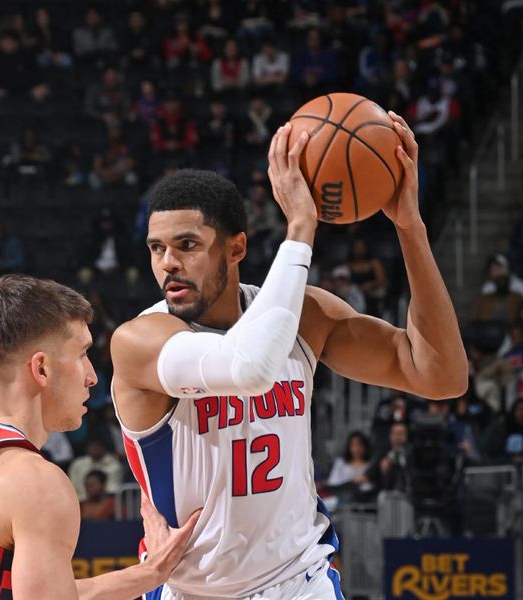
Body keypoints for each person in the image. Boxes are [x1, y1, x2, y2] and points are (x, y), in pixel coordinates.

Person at [110, 115, 467, 598]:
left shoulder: (304, 315)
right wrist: (300, 225)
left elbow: (441, 375)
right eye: (156, 248)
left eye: (187, 245)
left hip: (299, 582)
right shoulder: (141, 340)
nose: (167, 263)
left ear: (236, 249)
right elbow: (249, 366)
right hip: (193, 589)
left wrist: (410, 228)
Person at [0, 275, 199, 598]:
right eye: (82, 354)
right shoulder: (35, 483)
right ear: (41, 368)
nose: (91, 377)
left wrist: (149, 573)